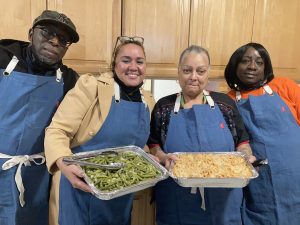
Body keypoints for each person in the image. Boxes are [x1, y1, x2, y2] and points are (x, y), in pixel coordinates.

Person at [44, 36, 155, 225]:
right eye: (126, 60)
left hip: (120, 194)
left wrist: (148, 156)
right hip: (80, 188)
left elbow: (136, 142)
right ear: (114, 63)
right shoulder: (92, 87)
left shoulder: (148, 101)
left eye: (139, 61)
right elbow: (57, 130)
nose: (133, 67)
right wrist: (63, 164)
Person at [147, 45, 255, 225]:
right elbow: (154, 145)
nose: (193, 77)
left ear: (208, 73)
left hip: (223, 200)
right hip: (176, 199)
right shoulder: (163, 107)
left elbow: (242, 143)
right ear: (179, 72)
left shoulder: (225, 104)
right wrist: (162, 156)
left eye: (200, 71)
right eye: (187, 70)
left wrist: (246, 158)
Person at [0, 10, 79, 225]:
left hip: (38, 177)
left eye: (63, 40)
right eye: (47, 33)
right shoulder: (2, 57)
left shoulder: (69, 79)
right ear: (30, 33)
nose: (54, 41)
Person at [224, 42, 300, 225]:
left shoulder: (284, 86)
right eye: (246, 61)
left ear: (266, 67)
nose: (252, 66)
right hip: (260, 186)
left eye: (259, 62)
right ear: (235, 66)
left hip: (295, 178)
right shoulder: (228, 100)